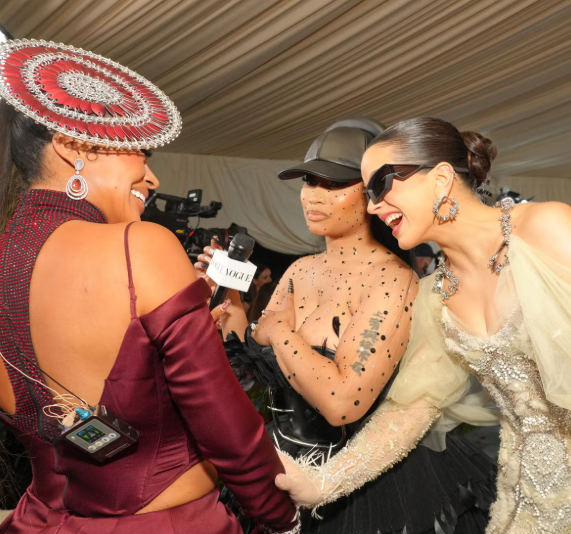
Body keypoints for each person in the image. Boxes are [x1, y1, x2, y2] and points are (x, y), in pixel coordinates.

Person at [0, 39, 299, 534]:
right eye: (140, 152)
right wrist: (280, 515)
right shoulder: (139, 246)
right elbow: (225, 424)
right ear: (74, 146)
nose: (152, 177)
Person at [198, 118, 496, 533]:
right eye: (309, 181)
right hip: (276, 467)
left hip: (356, 490)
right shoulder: (300, 269)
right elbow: (251, 357)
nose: (313, 196)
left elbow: (342, 403)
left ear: (374, 193)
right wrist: (224, 292)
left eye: (334, 183)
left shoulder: (392, 280)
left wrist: (280, 331)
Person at [276, 117, 571, 533]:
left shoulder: (546, 229)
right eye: (368, 193)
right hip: (527, 503)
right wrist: (321, 484)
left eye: (380, 184)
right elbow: (411, 410)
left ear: (441, 178)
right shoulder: (436, 295)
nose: (373, 206)